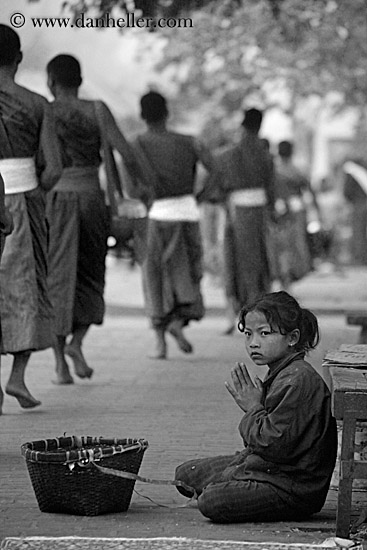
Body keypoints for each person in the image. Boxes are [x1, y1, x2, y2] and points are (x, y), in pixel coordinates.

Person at [175, 291, 337, 523]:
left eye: (264, 333)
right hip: (268, 467)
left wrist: (253, 408)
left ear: (292, 338)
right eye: (248, 334)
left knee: (211, 501)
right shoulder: (282, 372)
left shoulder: (298, 381)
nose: (253, 343)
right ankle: (233, 484)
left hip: (291, 487)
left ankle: (230, 489)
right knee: (185, 474)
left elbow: (271, 445)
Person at [45, 54, 146, 384]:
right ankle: (77, 343)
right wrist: (137, 190)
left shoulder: (45, 110)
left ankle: (60, 363)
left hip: (55, 201)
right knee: (90, 274)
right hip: (91, 200)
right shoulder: (98, 110)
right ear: (80, 79)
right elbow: (127, 154)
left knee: (58, 278)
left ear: (51, 81)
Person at [0, 25, 62, 414]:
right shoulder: (38, 104)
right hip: (23, 200)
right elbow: (54, 168)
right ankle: (17, 376)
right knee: (26, 286)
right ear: (19, 58)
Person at [132, 91, 217, 359]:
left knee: (155, 278)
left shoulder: (138, 145)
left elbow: (131, 187)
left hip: (156, 214)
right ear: (167, 113)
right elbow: (217, 171)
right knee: (189, 274)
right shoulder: (190, 142)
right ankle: (179, 323)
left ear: (142, 116)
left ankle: (160, 343)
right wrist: (201, 197)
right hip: (187, 213)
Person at [217, 109, 275, 335]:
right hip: (259, 215)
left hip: (235, 213)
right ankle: (259, 318)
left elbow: (218, 188)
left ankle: (232, 316)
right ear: (260, 126)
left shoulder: (227, 155)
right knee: (259, 263)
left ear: (242, 126)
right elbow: (271, 191)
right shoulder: (266, 156)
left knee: (233, 261)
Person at [273, 140, 320, 286]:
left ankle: (284, 277)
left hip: (279, 211)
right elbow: (310, 191)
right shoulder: (298, 171)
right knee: (297, 245)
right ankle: (292, 276)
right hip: (296, 210)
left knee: (282, 246)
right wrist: (317, 210)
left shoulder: (275, 171)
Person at [342, 157, 367, 266]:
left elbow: (347, 191)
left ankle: (359, 259)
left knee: (358, 232)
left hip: (359, 204)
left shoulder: (350, 171)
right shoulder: (362, 170)